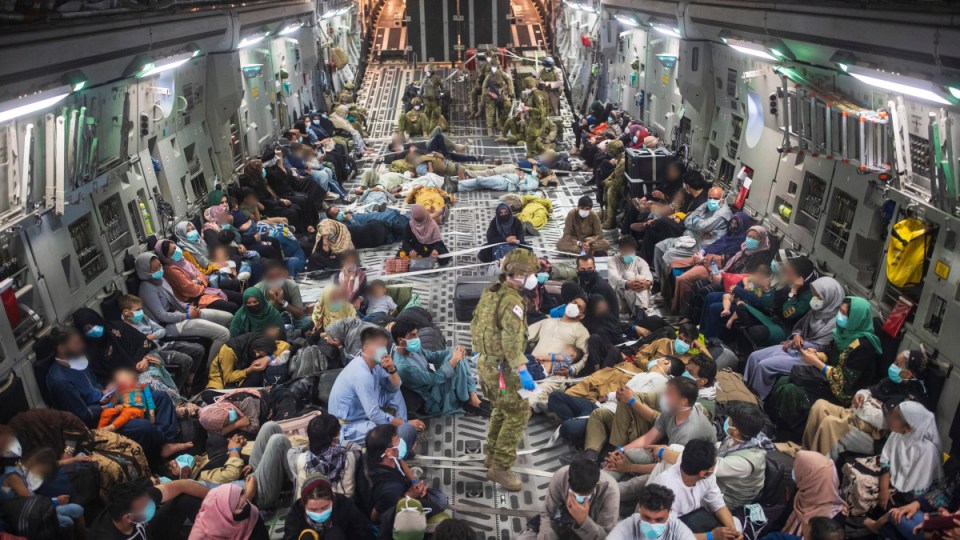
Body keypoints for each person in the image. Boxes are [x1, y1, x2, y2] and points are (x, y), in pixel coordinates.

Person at [44, 326, 191, 461]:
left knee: (160, 397)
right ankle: (161, 451)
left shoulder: (77, 359)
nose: (81, 345)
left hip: (109, 401)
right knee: (144, 426)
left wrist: (108, 391)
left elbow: (95, 386)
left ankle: (166, 445)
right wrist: (109, 404)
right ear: (62, 348)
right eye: (75, 343)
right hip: (98, 417)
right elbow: (82, 415)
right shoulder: (60, 380)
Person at [471, 248, 540, 491]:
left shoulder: (491, 292)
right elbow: (511, 342)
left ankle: (491, 454)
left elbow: (476, 324)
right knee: (518, 413)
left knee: (501, 409)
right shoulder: (512, 302)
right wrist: (523, 370)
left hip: (487, 365)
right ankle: (500, 467)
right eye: (530, 273)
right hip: (504, 369)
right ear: (519, 275)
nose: (533, 278)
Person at [767, 296, 882, 436]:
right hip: (828, 381)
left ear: (856, 318)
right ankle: (775, 425)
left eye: (845, 313)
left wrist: (816, 363)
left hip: (843, 394)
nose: (840, 316)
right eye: (840, 310)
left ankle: (793, 434)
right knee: (783, 381)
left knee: (791, 391)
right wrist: (817, 355)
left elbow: (846, 382)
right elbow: (830, 354)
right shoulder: (842, 334)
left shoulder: (864, 346)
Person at [803, 348, 930, 457]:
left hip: (876, 438)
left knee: (830, 424)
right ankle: (807, 453)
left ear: (908, 375)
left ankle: (818, 470)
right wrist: (861, 396)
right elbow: (869, 391)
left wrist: (864, 405)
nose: (893, 365)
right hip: (859, 417)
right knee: (819, 406)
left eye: (897, 364)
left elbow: (884, 421)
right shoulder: (892, 382)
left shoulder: (912, 401)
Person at [743, 276, 844, 400]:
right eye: (814, 295)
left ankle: (756, 399)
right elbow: (800, 327)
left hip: (808, 356)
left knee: (764, 365)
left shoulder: (835, 322)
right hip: (794, 346)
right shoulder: (816, 311)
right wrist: (796, 335)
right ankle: (744, 389)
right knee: (754, 357)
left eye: (818, 296)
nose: (814, 299)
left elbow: (821, 346)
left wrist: (793, 343)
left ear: (829, 298)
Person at [328, 327, 424, 450]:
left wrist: (392, 370)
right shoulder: (362, 375)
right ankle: (401, 435)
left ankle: (402, 432)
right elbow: (374, 414)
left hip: (363, 409)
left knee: (394, 393)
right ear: (366, 347)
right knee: (375, 430)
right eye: (379, 346)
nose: (384, 351)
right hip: (348, 425)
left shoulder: (374, 365)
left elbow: (394, 387)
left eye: (384, 346)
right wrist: (405, 424)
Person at [647, 440, 741, 538]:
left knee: (736, 523)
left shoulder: (707, 476)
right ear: (703, 473)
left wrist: (733, 531)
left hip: (693, 518)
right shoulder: (663, 490)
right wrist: (711, 536)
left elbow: (718, 504)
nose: (714, 468)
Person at [391, 320, 486, 416]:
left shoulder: (411, 349)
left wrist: (455, 350)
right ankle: (467, 398)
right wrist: (453, 361)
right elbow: (434, 379)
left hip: (436, 384)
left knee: (455, 354)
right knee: (457, 362)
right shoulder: (403, 366)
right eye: (413, 335)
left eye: (417, 334)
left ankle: (471, 396)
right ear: (401, 341)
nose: (417, 338)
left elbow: (434, 356)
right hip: (433, 397)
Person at [516, 458, 619, 540]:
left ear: (596, 484)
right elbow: (547, 513)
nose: (578, 499)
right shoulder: (561, 476)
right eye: (575, 494)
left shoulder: (610, 492)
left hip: (590, 529)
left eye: (584, 496)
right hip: (561, 518)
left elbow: (606, 536)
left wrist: (583, 520)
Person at [361, 424, 447, 522]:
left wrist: (414, 481)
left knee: (408, 428)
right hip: (396, 499)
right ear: (389, 452)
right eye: (397, 438)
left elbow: (400, 461)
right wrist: (410, 495)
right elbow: (374, 517)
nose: (401, 439)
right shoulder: (390, 489)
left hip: (399, 489)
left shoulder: (373, 454)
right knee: (441, 501)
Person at [735, 256, 817, 348]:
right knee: (741, 308)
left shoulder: (809, 294)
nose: (785, 275)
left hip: (787, 329)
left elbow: (788, 314)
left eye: (788, 273)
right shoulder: (788, 283)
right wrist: (767, 289)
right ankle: (757, 339)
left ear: (799, 277)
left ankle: (758, 341)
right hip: (774, 318)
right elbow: (767, 305)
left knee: (756, 332)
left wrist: (793, 292)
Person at [653, 186, 734, 278]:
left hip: (701, 247)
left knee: (668, 255)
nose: (712, 201)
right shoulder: (706, 205)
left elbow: (702, 226)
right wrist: (700, 230)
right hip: (691, 238)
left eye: (715, 199)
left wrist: (697, 223)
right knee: (659, 247)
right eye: (710, 198)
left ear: (722, 199)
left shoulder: (723, 213)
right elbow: (687, 220)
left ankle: (666, 288)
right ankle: (659, 279)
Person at [89, 478, 209, 539]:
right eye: (146, 506)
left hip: (152, 532)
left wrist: (217, 498)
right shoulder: (105, 536)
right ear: (128, 517)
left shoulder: (138, 499)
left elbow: (182, 485)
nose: (151, 505)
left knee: (186, 500)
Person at [0, 447, 85, 532]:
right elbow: (30, 502)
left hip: (33, 508)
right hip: (18, 515)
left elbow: (55, 464)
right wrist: (56, 501)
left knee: (78, 509)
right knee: (67, 522)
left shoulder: (25, 470)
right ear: (33, 461)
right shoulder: (13, 476)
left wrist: (75, 459)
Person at [877, 402, 942, 512]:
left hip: (910, 498)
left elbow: (917, 490)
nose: (890, 417)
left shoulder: (927, 451)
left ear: (908, 427)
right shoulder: (897, 434)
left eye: (895, 417)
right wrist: (883, 489)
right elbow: (885, 462)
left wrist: (892, 492)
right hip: (890, 481)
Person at [155, 239, 240, 313]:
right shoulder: (171, 270)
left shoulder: (182, 259)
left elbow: (199, 272)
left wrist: (198, 280)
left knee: (237, 294)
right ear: (166, 258)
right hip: (196, 298)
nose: (176, 251)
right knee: (233, 306)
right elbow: (191, 290)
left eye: (175, 248)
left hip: (204, 287)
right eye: (172, 253)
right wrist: (202, 281)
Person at [283, 474, 369, 540]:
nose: (319, 513)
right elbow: (290, 537)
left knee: (335, 534)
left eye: (325, 507)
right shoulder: (295, 513)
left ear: (333, 499)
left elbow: (361, 533)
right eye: (313, 509)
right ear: (303, 504)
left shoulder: (346, 506)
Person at [294, 415, 361, 498]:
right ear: (337, 436)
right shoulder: (350, 456)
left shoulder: (300, 459)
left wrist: (313, 445)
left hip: (309, 507)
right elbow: (355, 447)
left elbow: (293, 450)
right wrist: (339, 444)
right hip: (343, 506)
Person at [782, 451, 847, 535]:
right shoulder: (802, 493)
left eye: (798, 468)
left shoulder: (834, 521)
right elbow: (781, 522)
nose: (795, 471)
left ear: (810, 478)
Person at [608, 484, 697, 540]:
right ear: (640, 510)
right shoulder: (628, 526)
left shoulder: (679, 531)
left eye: (659, 519)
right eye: (646, 518)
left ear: (669, 512)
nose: (652, 524)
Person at [527, 297, 591, 374]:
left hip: (554, 376)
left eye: (579, 307)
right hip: (530, 365)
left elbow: (584, 357)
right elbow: (525, 334)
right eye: (574, 302)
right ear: (568, 303)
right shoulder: (547, 321)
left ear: (582, 316)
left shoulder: (581, 331)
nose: (574, 306)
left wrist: (571, 369)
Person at [188, 482, 270, 540]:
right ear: (223, 513)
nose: (244, 501)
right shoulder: (200, 536)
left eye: (242, 494)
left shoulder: (251, 512)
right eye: (237, 505)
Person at [207, 331, 289, 389]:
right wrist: (248, 370)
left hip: (241, 378)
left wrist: (268, 358)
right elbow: (227, 377)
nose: (257, 355)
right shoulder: (229, 350)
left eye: (260, 355)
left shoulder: (264, 343)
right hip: (221, 379)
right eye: (256, 351)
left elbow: (285, 345)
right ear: (254, 345)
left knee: (257, 375)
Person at [254, 259, 312, 330]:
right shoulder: (258, 289)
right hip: (270, 322)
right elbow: (258, 317)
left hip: (288, 318)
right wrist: (272, 302)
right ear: (265, 278)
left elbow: (300, 314)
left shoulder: (291, 285)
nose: (275, 279)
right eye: (271, 277)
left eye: (278, 275)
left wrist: (282, 302)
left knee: (307, 322)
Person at [607, 236, 654, 316]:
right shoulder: (613, 261)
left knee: (641, 279)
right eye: (626, 251)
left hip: (638, 293)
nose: (628, 253)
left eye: (631, 251)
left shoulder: (639, 261)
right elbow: (614, 278)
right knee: (630, 276)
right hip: (620, 297)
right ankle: (639, 313)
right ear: (620, 250)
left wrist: (646, 283)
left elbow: (648, 275)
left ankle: (639, 311)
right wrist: (627, 284)